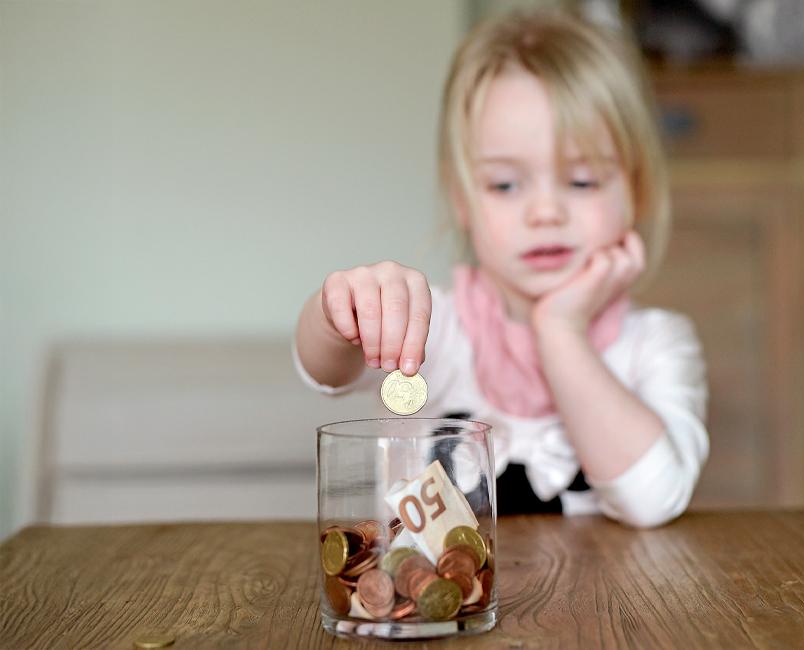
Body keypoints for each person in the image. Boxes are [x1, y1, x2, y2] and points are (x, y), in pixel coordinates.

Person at [295, 9, 708, 528]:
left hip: (604, 609)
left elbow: (652, 500)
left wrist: (560, 331)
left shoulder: (657, 345)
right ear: (461, 199)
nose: (545, 212)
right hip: (439, 606)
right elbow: (323, 373)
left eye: (581, 181)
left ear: (637, 191)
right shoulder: (437, 328)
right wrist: (338, 312)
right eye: (505, 185)